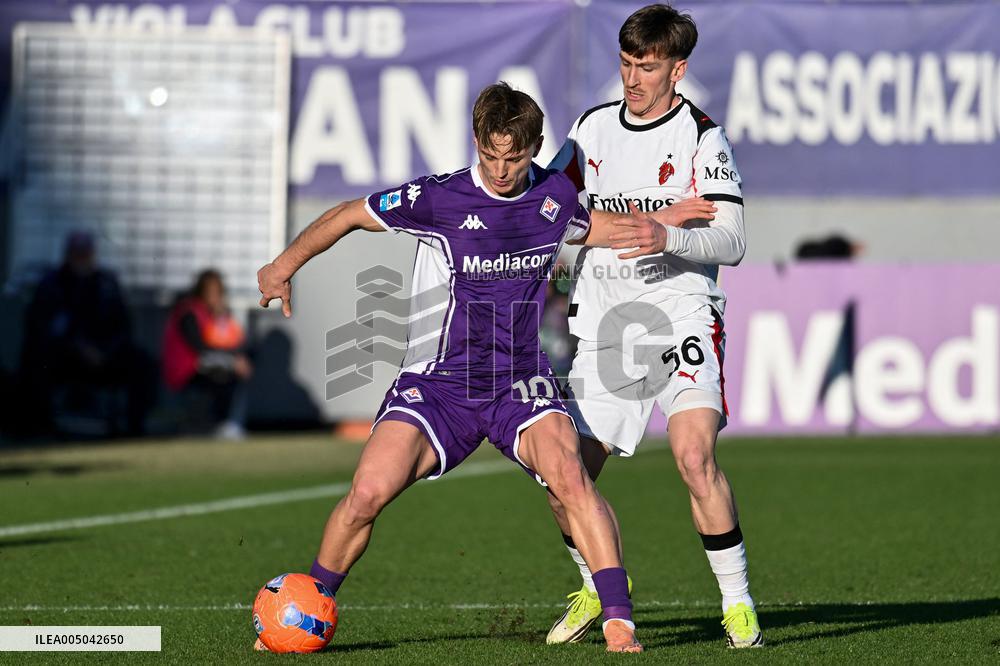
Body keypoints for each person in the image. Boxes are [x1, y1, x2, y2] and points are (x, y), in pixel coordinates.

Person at [257, 83, 670, 653]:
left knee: (571, 475)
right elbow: (349, 214)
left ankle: (618, 620)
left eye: (515, 157)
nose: (501, 169)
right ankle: (309, 607)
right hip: (436, 385)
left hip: (518, 382)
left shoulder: (554, 200)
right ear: (476, 141)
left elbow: (611, 228)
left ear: (535, 148)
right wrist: (282, 266)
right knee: (367, 493)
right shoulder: (439, 198)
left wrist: (677, 228)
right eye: (491, 154)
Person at [545, 4, 762, 648]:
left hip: (680, 311)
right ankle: (596, 584)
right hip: (609, 319)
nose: (633, 78)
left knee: (695, 455)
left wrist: (663, 235)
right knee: (564, 474)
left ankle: (737, 601)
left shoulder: (701, 137)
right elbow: (548, 211)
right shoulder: (589, 131)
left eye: (647, 66)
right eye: (626, 63)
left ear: (678, 68)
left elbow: (732, 239)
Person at [19, 230, 155, 436]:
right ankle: (40, 426)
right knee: (37, 359)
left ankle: (133, 427)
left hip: (104, 357)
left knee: (142, 361)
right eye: (77, 253)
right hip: (66, 358)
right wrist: (78, 347)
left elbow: (123, 326)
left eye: (86, 253)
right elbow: (42, 327)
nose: (82, 259)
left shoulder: (106, 284)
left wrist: (104, 351)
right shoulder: (52, 284)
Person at [163, 269, 252, 439]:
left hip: (202, 364)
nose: (216, 297)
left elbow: (233, 341)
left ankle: (230, 423)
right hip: (185, 370)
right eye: (211, 292)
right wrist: (233, 361)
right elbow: (200, 349)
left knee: (240, 365)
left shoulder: (212, 314)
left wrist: (221, 318)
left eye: (218, 292)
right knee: (230, 369)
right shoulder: (189, 312)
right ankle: (223, 424)